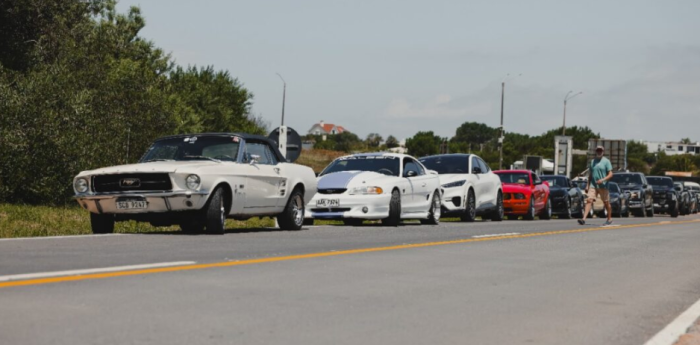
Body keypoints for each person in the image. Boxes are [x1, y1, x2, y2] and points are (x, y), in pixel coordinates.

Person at [578, 146, 613, 225]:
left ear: (603, 152)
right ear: (596, 151)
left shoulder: (606, 161)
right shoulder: (593, 161)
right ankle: (583, 219)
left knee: (606, 203)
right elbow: (590, 175)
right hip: (593, 185)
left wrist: (603, 180)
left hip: (603, 186)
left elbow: (611, 174)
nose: (599, 152)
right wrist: (588, 185)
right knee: (589, 200)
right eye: (598, 150)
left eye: (600, 150)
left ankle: (609, 218)